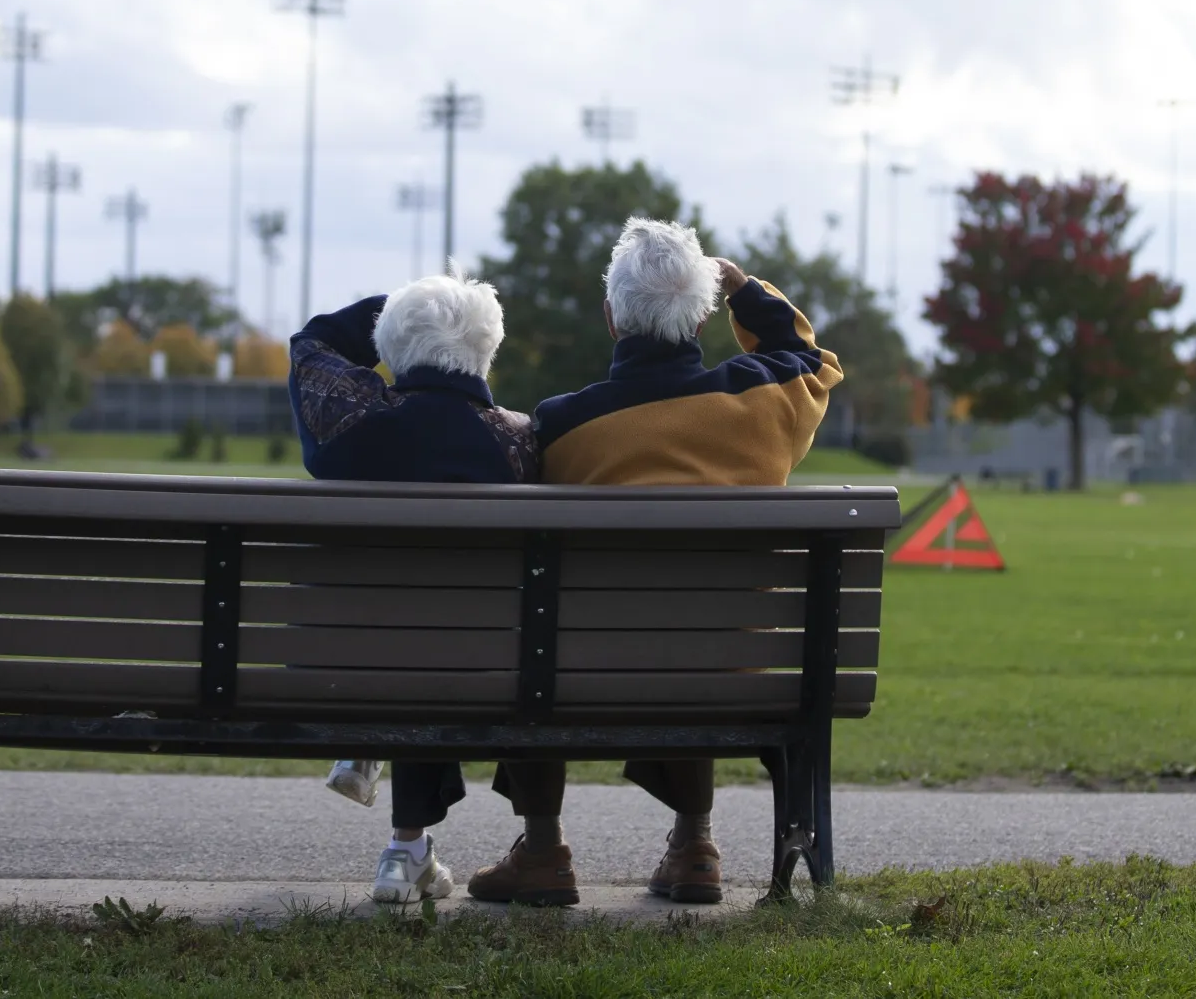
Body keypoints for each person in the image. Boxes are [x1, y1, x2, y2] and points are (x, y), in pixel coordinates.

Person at [467, 217, 843, 907]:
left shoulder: (561, 426)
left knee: (539, 632)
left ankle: (544, 851)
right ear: (701, 318)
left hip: (576, 674)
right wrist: (743, 290)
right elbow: (811, 357)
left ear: (612, 318)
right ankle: (695, 841)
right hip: (733, 672)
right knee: (694, 623)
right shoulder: (764, 404)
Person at [287, 273, 540, 905]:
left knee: (399, 630)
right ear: (488, 348)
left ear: (391, 343)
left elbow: (311, 342)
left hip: (342, 664)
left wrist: (401, 308)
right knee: (439, 629)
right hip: (483, 668)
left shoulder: (347, 417)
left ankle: (369, 747)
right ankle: (404, 848)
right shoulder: (518, 444)